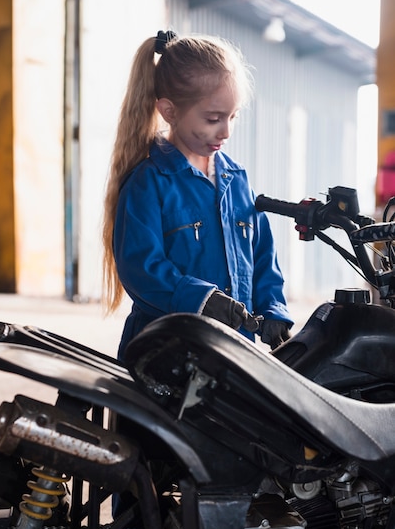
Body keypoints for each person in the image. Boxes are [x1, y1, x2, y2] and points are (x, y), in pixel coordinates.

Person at [102, 29, 292, 358]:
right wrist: (201, 299)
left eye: (233, 117)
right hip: (167, 354)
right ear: (169, 111)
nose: (226, 131)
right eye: (214, 119)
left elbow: (262, 256)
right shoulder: (149, 183)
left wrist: (273, 308)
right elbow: (140, 267)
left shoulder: (236, 180)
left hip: (237, 354)